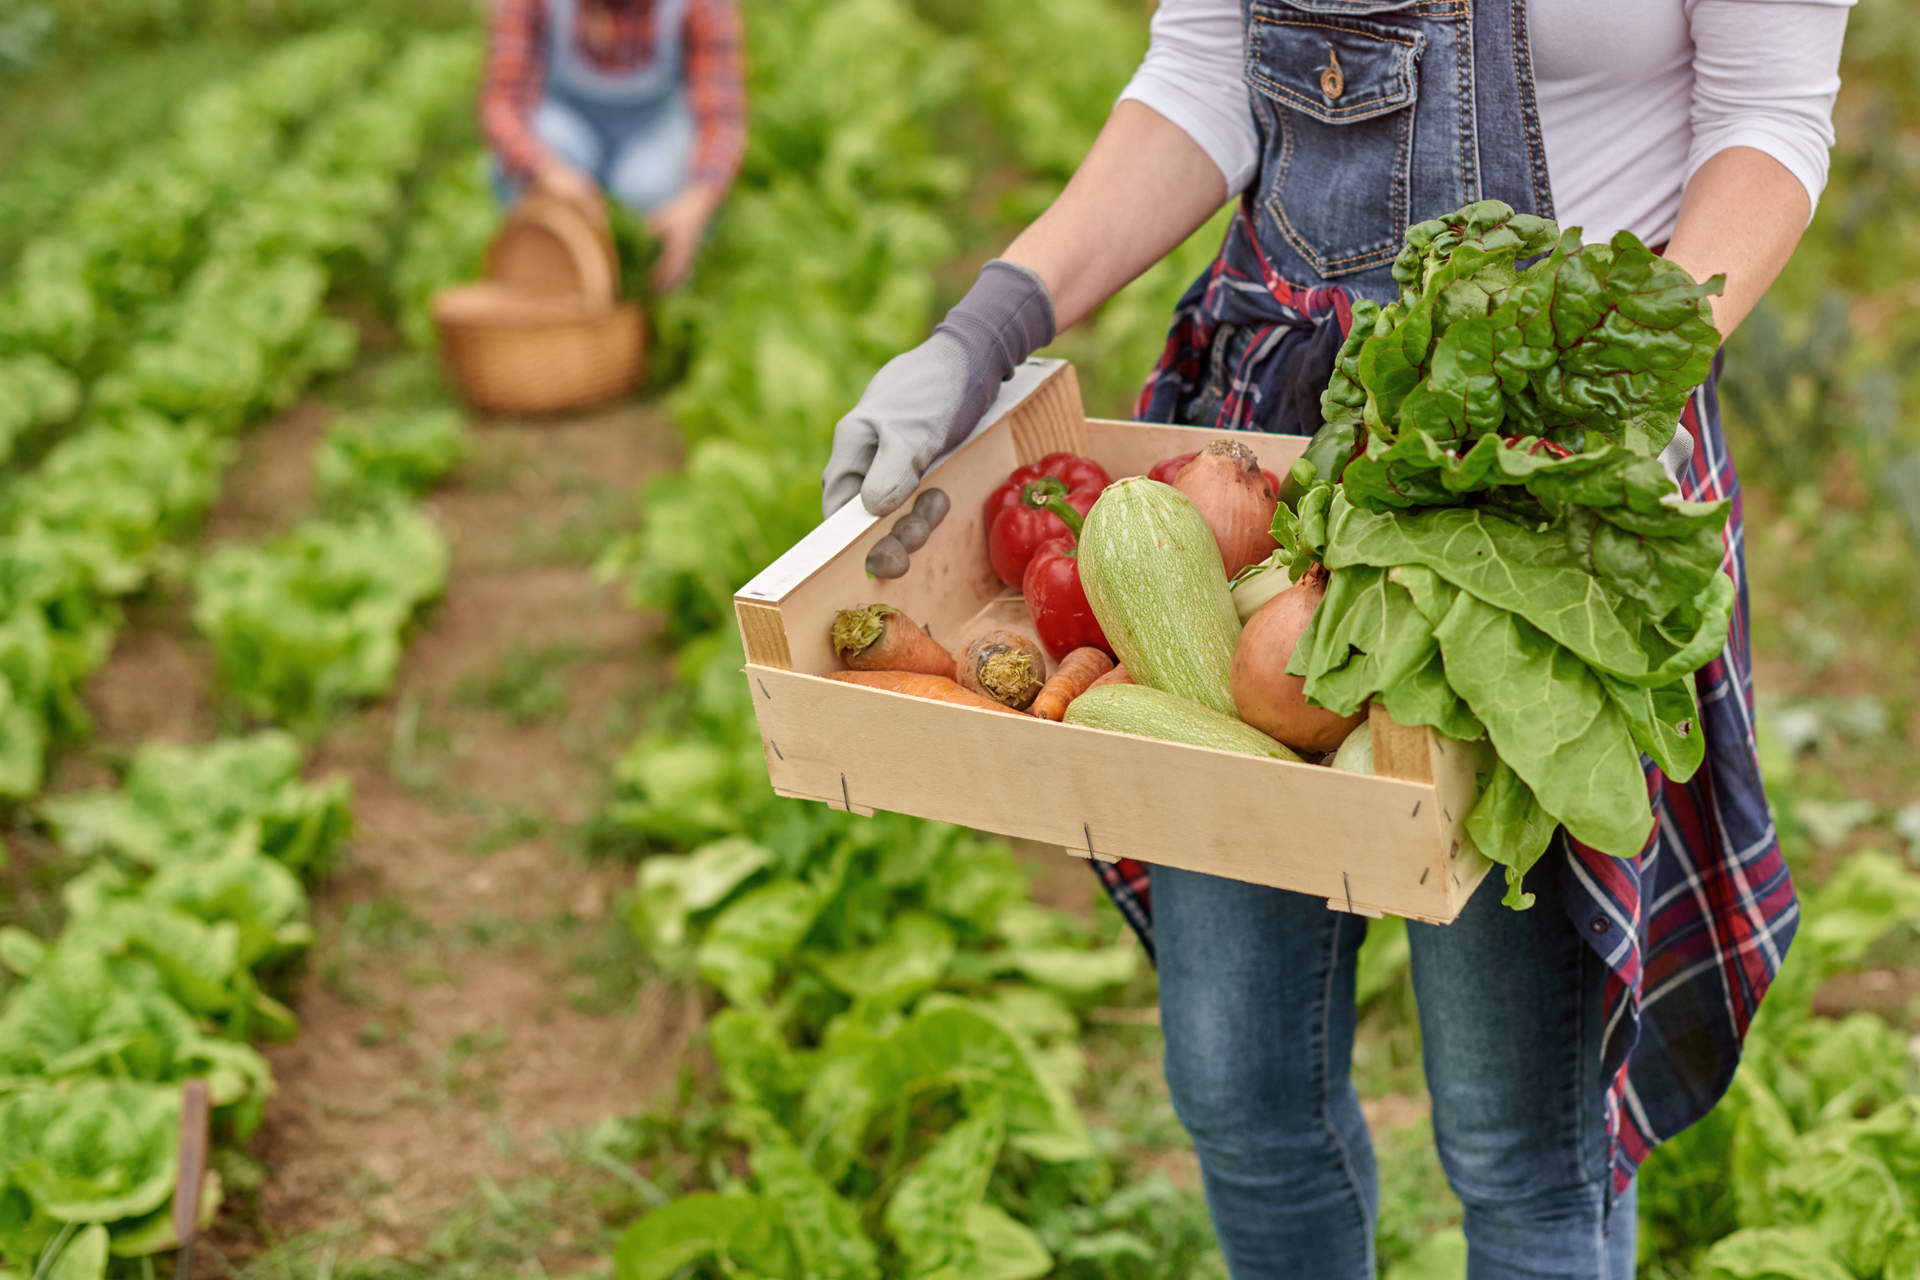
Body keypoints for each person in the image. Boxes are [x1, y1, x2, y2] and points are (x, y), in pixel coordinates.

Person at [821, 2, 1851, 1276]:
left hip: (1549, 460)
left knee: (1517, 1136)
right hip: (1270, 430)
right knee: (1241, 1085)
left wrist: (1617, 391)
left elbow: (1766, 116)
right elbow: (1207, 67)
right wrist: (988, 325)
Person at [481, 0, 747, 292]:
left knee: (651, 188)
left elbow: (722, 116)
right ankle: (547, 286)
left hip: (653, 131)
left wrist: (697, 203)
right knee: (536, 149)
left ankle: (651, 295)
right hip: (569, 129)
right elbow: (503, 104)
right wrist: (545, 172)